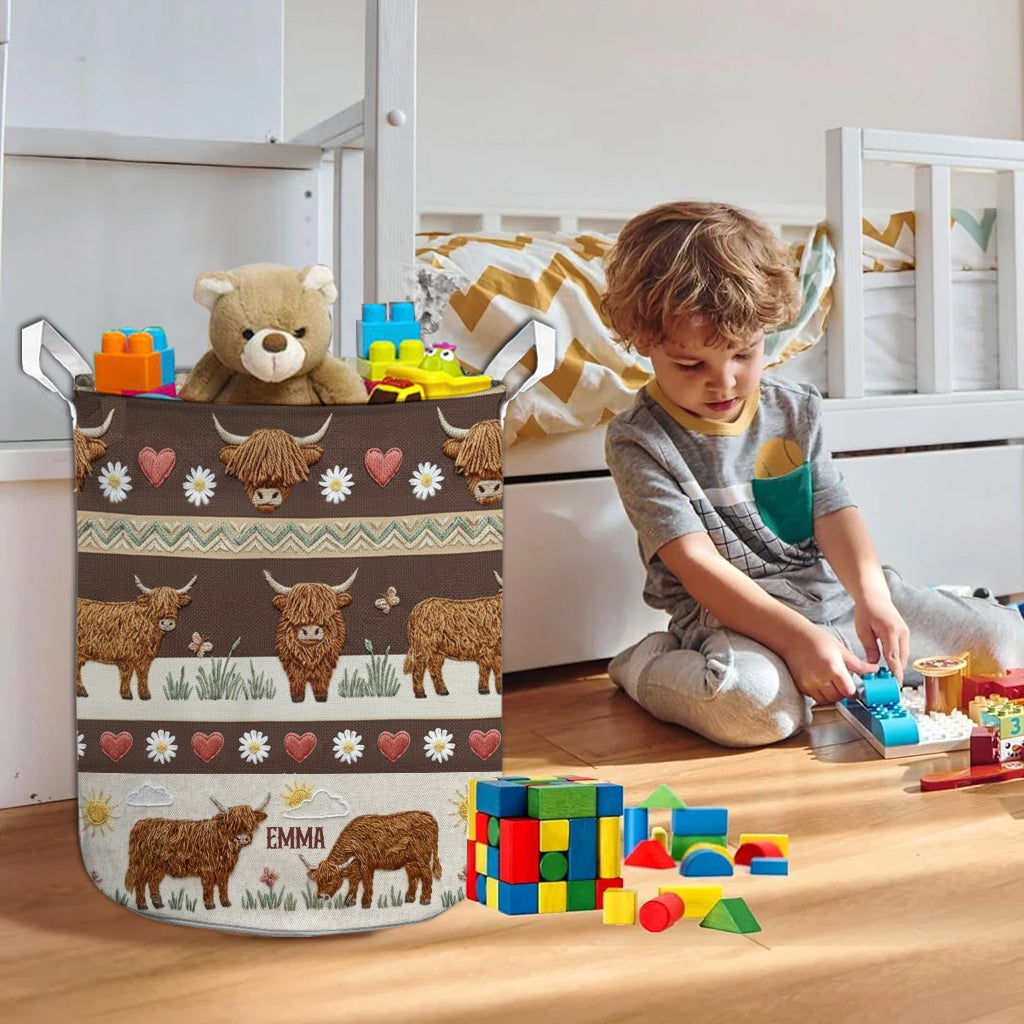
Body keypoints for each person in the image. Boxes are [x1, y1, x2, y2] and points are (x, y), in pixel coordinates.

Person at [600, 200, 1024, 747]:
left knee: (1003, 642)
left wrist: (872, 597)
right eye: (691, 364)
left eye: (744, 355)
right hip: (732, 618)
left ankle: (846, 654)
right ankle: (645, 664)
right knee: (756, 710)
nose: (724, 382)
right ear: (644, 342)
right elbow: (699, 567)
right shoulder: (639, 440)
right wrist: (798, 640)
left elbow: (833, 510)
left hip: (830, 597)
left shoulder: (796, 408)